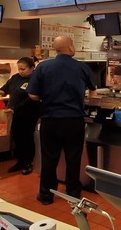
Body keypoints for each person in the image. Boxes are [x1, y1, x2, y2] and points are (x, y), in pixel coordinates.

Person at [27, 35, 95, 205]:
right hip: (74, 121)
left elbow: (32, 94)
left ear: (55, 49)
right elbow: (93, 93)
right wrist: (81, 100)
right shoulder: (82, 67)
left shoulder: (43, 67)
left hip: (50, 121)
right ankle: (73, 194)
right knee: (73, 158)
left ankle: (46, 195)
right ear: (70, 47)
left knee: (49, 159)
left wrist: (48, 98)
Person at [0, 57, 41, 175]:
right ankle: (20, 161)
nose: (21, 71)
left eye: (23, 69)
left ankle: (29, 162)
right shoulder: (15, 78)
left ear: (32, 68)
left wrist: (15, 108)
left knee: (27, 138)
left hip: (29, 113)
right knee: (17, 137)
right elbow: (6, 88)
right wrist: (0, 92)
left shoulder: (35, 79)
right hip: (14, 113)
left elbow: (30, 98)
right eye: (19, 69)